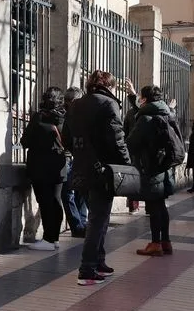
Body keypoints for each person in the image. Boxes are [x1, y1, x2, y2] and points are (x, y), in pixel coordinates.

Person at [62, 70, 131, 286]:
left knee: (98, 218)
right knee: (98, 220)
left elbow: (67, 139)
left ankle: (99, 261)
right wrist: (127, 163)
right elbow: (117, 139)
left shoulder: (76, 105)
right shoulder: (109, 104)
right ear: (109, 85)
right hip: (103, 170)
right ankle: (87, 269)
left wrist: (82, 154)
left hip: (81, 168)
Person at [128, 86, 183, 256]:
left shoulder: (146, 119)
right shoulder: (168, 113)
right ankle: (166, 241)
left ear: (144, 99)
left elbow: (131, 143)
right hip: (166, 167)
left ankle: (155, 243)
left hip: (151, 167)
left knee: (153, 206)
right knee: (161, 205)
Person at [20, 87, 69, 251]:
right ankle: (54, 238)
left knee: (45, 202)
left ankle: (48, 239)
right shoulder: (65, 117)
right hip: (60, 164)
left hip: (41, 166)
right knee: (56, 201)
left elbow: (25, 141)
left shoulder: (39, 117)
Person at [61, 87, 87, 237]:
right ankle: (80, 224)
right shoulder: (73, 115)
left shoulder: (71, 115)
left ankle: (79, 225)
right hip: (73, 157)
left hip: (71, 157)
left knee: (73, 192)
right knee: (75, 192)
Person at [123, 79, 142, 214]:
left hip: (133, 148)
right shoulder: (134, 112)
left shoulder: (132, 112)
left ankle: (134, 205)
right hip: (138, 149)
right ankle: (134, 205)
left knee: (134, 176)